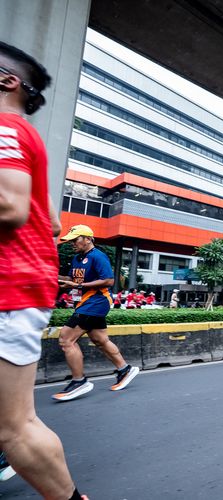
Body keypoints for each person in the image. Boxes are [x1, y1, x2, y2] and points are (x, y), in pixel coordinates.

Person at [0, 41, 88, 499]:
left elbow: (11, 207)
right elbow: (50, 222)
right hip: (23, 289)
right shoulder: (21, 135)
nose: (78, 244)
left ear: (7, 80)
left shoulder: (5, 128)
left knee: (15, 427)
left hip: (9, 290)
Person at [55, 224, 140, 400]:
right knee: (100, 340)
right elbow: (71, 278)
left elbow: (108, 280)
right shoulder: (77, 258)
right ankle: (125, 369)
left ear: (88, 239)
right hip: (87, 303)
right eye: (71, 240)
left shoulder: (98, 256)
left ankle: (79, 381)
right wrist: (52, 276)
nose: (72, 243)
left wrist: (78, 285)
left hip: (97, 301)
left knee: (66, 339)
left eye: (75, 240)